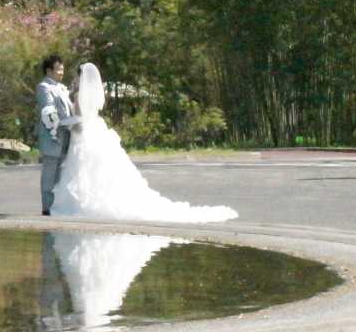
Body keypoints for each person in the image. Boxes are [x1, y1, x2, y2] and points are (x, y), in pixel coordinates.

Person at [51, 62, 237, 222]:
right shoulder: (86, 96)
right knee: (98, 171)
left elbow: (79, 122)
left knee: (85, 171)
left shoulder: (77, 96)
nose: (73, 80)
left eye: (75, 77)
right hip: (96, 130)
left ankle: (84, 203)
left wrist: (64, 124)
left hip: (84, 136)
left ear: (80, 78)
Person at [35, 55, 80, 216]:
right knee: (49, 173)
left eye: (62, 69)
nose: (62, 72)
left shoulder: (61, 87)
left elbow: (69, 108)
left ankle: (56, 207)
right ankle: (47, 208)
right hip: (52, 137)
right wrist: (66, 122)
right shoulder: (44, 87)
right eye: (58, 69)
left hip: (66, 137)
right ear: (49, 71)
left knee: (60, 174)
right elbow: (48, 110)